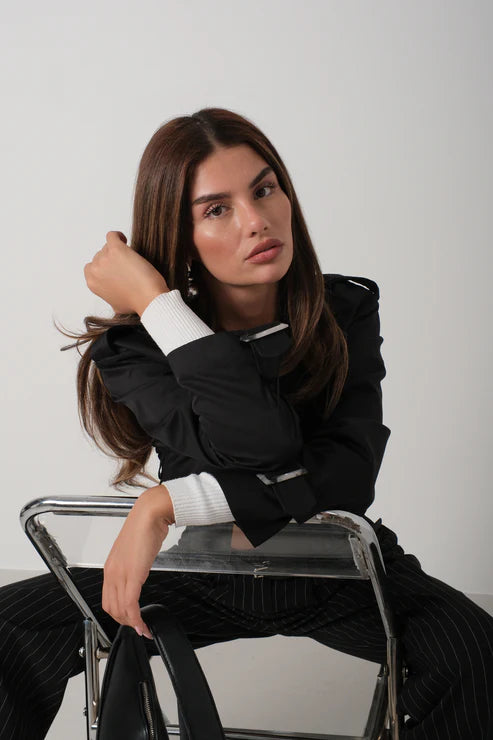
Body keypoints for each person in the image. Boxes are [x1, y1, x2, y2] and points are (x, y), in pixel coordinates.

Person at [0, 107, 491, 739]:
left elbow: (348, 479)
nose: (256, 220)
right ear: (179, 236)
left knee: (476, 654)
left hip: (341, 571)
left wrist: (166, 502)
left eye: (264, 189)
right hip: (199, 575)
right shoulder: (136, 348)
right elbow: (260, 443)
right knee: (8, 627)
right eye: (216, 209)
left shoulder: (345, 310)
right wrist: (159, 308)